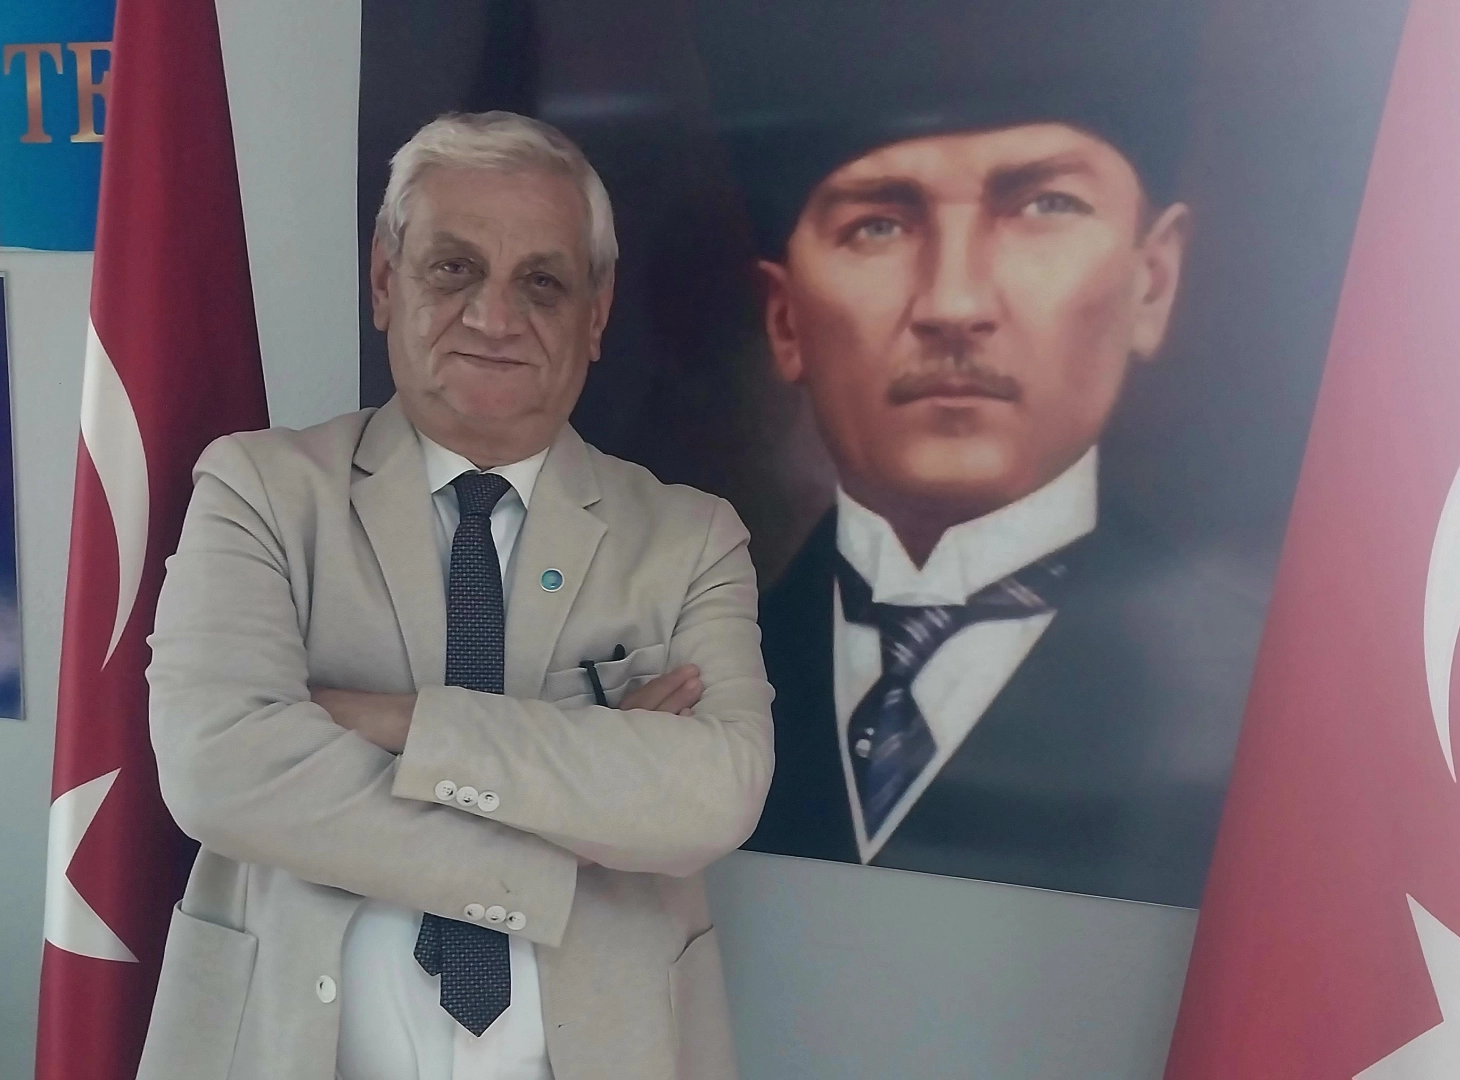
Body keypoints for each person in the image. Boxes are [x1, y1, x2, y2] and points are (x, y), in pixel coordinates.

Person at [138, 111, 772, 1080]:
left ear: (596, 314)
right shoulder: (259, 491)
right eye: (453, 269)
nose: (494, 317)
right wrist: (568, 820)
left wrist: (398, 722)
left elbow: (715, 796)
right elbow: (217, 768)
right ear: (385, 281)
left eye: (542, 282)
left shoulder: (692, 539)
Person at [704, 0, 1265, 907]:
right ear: (786, 320)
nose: (954, 303)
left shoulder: (1274, 706)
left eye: (1044, 205)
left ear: (1153, 282)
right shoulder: (689, 681)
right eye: (878, 224)